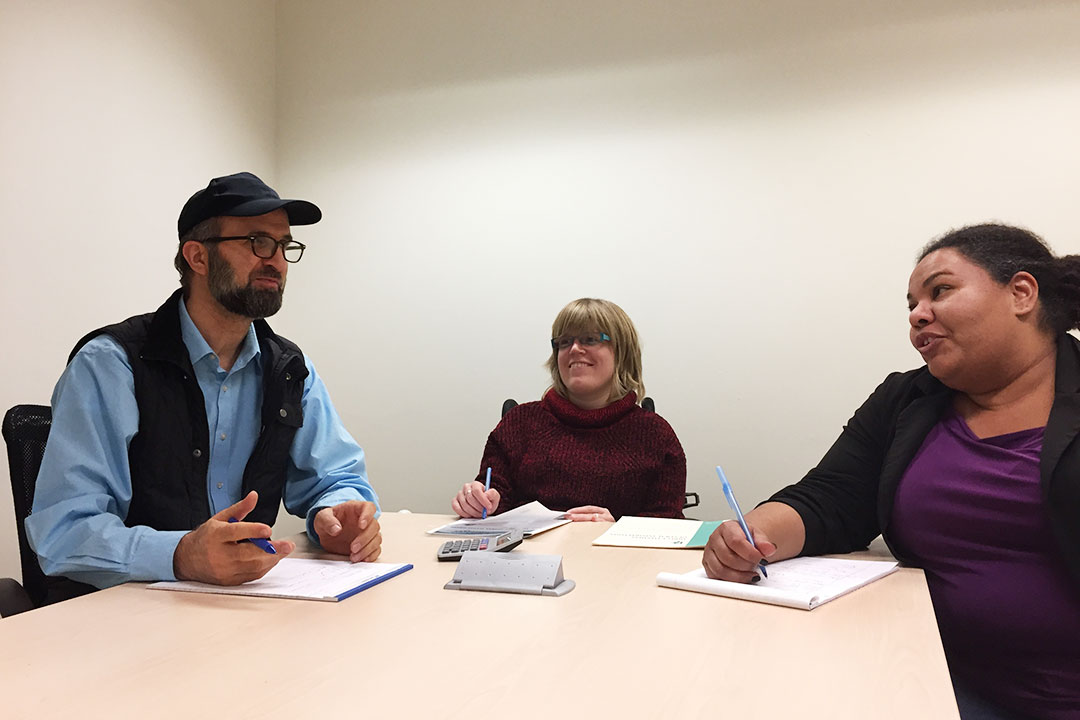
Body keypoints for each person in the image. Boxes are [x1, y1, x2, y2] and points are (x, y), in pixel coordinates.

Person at [702, 224, 1080, 719]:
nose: (918, 315)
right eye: (910, 306)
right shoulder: (906, 400)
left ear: (1021, 293)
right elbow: (832, 498)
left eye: (940, 291)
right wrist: (751, 535)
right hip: (921, 676)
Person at [27, 172, 382, 596]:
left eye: (284, 245)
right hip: (120, 617)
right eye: (257, 241)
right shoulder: (111, 365)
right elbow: (64, 530)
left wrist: (336, 516)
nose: (276, 260)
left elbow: (337, 476)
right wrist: (181, 554)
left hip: (241, 609)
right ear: (197, 257)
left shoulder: (287, 369)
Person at [451, 298, 686, 522]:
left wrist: (616, 529)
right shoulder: (519, 423)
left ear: (622, 352)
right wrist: (478, 500)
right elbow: (495, 494)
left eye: (590, 339)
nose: (574, 349)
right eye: (564, 342)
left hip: (618, 561)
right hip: (529, 560)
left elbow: (667, 523)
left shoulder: (656, 434)